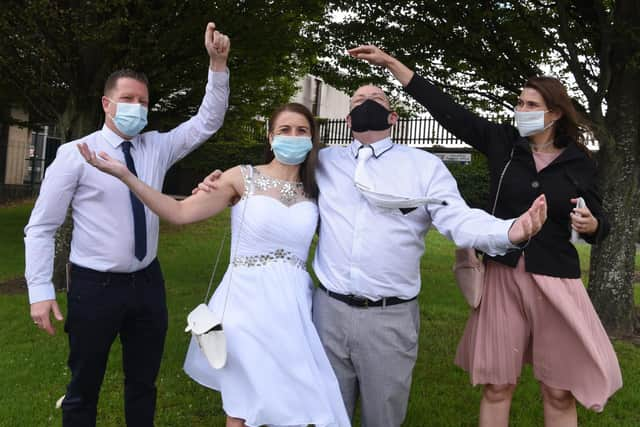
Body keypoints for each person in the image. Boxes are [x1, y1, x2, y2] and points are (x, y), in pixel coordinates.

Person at [196, 90, 548, 427]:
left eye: (376, 99)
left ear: (393, 116)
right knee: (325, 413)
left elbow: (457, 218)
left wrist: (508, 231)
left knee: (384, 416)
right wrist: (219, 186)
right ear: (348, 119)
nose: (366, 104)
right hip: (327, 314)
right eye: (358, 100)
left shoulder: (423, 167)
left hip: (389, 317)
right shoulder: (323, 162)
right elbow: (270, 178)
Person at [348, 45, 622, 427]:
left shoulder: (579, 161)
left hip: (556, 279)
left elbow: (599, 219)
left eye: (530, 105)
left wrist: (593, 226)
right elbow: (448, 110)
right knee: (497, 385)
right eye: (520, 103)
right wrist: (394, 66)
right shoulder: (503, 144)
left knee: (559, 391)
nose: (520, 110)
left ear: (555, 113)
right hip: (502, 277)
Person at [79, 102, 351, 427]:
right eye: (284, 130)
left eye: (301, 131)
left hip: (293, 308)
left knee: (298, 401)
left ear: (312, 138)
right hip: (244, 304)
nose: (293, 137)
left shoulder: (317, 188)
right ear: (270, 137)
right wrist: (126, 176)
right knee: (243, 404)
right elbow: (179, 213)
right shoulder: (242, 177)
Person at [24, 22, 231, 427]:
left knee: (143, 384)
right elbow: (41, 227)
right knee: (84, 385)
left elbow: (207, 121)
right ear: (106, 103)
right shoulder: (74, 154)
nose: (137, 106)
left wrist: (217, 65)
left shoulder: (157, 145)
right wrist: (39, 290)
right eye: (127, 99)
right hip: (93, 287)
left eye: (143, 100)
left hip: (147, 284)